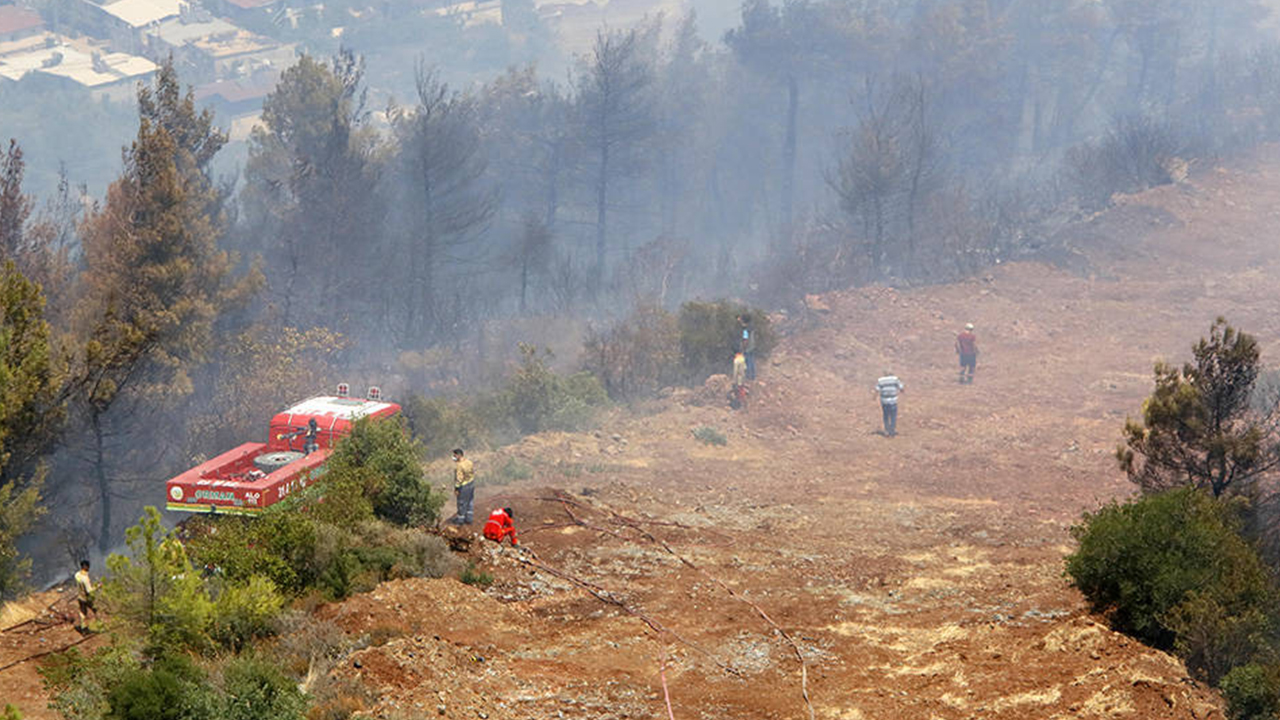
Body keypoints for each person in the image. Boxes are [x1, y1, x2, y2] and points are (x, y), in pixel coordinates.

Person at [876, 370, 904, 436]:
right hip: (893, 401)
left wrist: (873, 397)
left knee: (886, 415)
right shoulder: (895, 379)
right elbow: (901, 387)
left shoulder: (881, 380)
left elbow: (877, 389)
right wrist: (903, 392)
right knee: (893, 416)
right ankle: (892, 430)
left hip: (884, 401)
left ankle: (886, 430)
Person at [451, 448, 475, 525]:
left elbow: (459, 479)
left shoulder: (459, 466)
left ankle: (460, 520)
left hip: (464, 486)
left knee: (461, 503)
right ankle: (469, 519)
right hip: (471, 483)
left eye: (454, 455)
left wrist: (456, 488)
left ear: (459, 455)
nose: (453, 457)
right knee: (470, 501)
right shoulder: (469, 462)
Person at [74, 560, 96, 633]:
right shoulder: (85, 578)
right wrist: (97, 587)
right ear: (85, 566)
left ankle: (83, 628)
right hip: (86, 598)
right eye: (88, 566)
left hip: (80, 596)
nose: (89, 568)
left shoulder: (77, 575)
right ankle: (99, 625)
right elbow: (89, 590)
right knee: (96, 609)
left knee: (83, 612)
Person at [738, 314, 757, 381]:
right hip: (752, 347)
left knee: (748, 362)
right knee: (752, 361)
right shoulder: (751, 328)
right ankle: (753, 376)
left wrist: (743, 347)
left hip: (747, 348)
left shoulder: (745, 330)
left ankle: (749, 377)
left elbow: (745, 340)